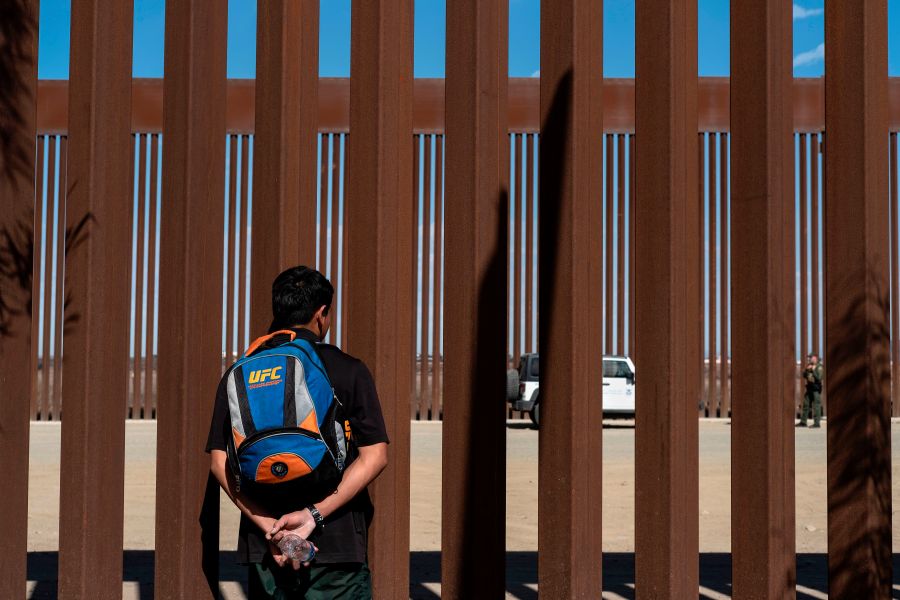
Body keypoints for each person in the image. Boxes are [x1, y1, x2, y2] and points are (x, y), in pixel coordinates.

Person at [206, 266, 389, 599]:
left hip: (267, 547)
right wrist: (311, 516)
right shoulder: (348, 369)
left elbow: (220, 464)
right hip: (336, 547)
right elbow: (375, 456)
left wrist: (269, 526)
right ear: (321, 314)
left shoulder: (240, 373)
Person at [798, 353, 824, 428]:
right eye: (808, 358)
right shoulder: (809, 365)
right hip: (809, 388)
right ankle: (803, 422)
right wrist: (806, 370)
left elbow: (819, 378)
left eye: (810, 357)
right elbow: (804, 375)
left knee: (816, 406)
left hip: (815, 389)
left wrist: (813, 370)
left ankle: (817, 423)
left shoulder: (819, 367)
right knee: (806, 405)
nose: (809, 359)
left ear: (815, 358)